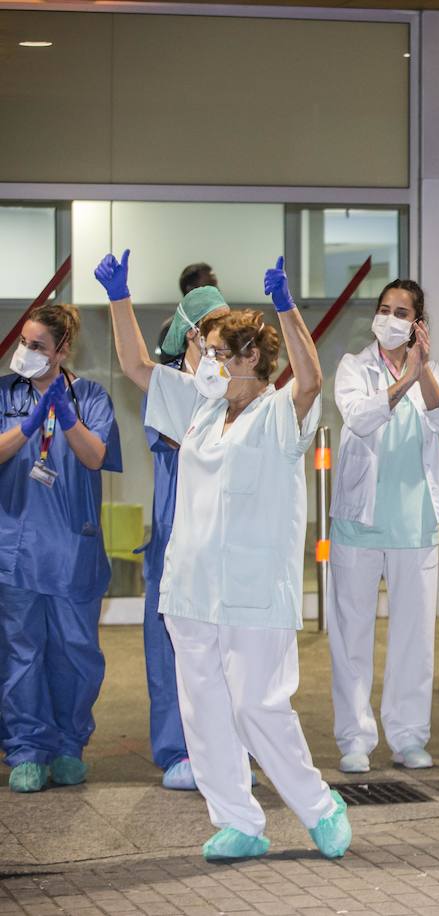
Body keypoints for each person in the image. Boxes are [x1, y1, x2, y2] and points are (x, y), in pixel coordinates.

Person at [101, 249, 352, 861]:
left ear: (248, 360)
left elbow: (311, 380)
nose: (203, 362)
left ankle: (319, 806)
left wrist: (288, 310)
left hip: (253, 589)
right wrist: (118, 297)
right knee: (205, 709)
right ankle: (238, 819)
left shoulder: (275, 412)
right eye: (203, 351)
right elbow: (136, 363)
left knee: (257, 705)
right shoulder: (201, 405)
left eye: (214, 353)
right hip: (192, 587)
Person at [327, 280, 439, 775]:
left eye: (402, 312)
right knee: (352, 635)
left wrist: (421, 371)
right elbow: (360, 418)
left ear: (418, 323)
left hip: (415, 522)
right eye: (385, 309)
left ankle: (408, 737)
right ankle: (354, 737)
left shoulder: (435, 373)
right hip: (359, 524)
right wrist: (403, 381)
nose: (391, 319)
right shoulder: (353, 368)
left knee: (413, 639)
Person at [1, 303, 122, 793]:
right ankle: (28, 748)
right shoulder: (5, 395)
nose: (24, 353)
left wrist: (65, 418)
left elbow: (95, 456)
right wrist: (26, 426)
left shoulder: (89, 396)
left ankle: (69, 744)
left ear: (63, 351)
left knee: (77, 653)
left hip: (73, 548)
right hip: (15, 548)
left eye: (37, 346)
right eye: (22, 343)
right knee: (22, 653)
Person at [141, 283, 232, 791]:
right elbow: (191, 438)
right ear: (191, 334)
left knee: (225, 650)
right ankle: (178, 751)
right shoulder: (170, 385)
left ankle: (226, 749)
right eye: (212, 325)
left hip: (223, 537)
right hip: (176, 536)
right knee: (170, 650)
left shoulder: (234, 386)